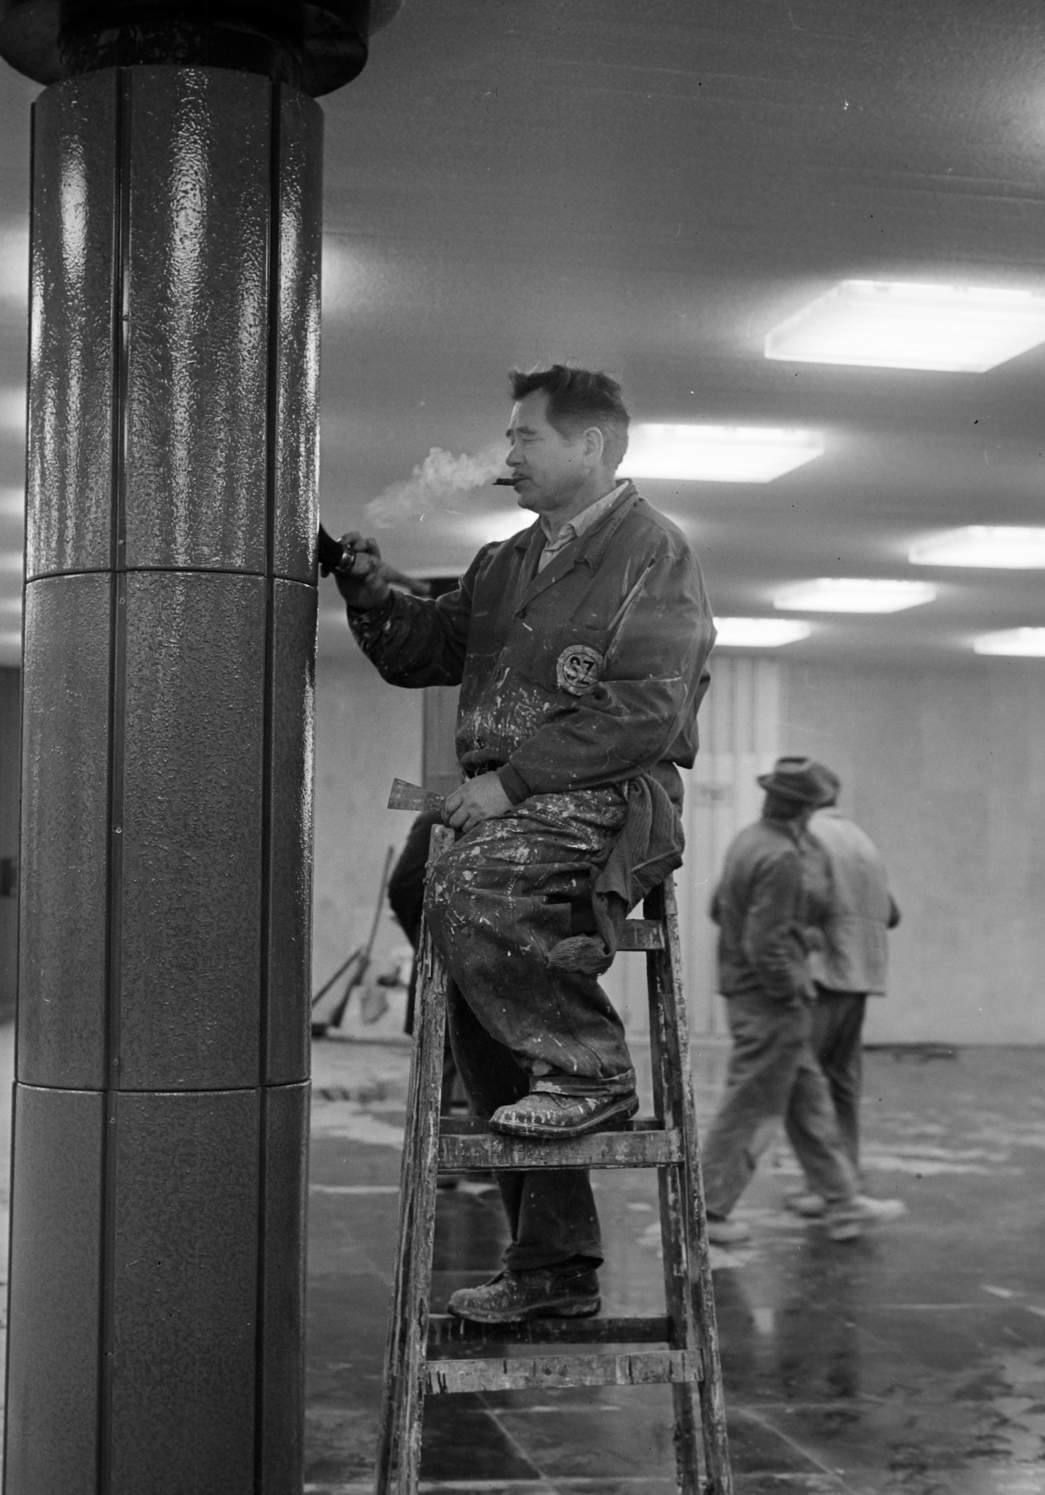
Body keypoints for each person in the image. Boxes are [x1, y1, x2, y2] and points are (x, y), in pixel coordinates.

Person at [335, 364, 713, 1324]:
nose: (506, 456)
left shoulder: (652, 553)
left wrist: (508, 782)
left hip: (603, 792)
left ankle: (588, 1067)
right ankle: (554, 1265)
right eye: (506, 440)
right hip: (511, 807)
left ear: (590, 445)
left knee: (466, 882)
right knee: (438, 892)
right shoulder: (506, 562)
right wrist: (372, 591)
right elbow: (424, 650)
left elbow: (647, 709)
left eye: (524, 437)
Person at [701, 758, 902, 1245]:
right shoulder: (785, 855)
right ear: (807, 808)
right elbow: (764, 944)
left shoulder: (750, 840)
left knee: (810, 1098)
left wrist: (798, 933)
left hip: (756, 993)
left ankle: (842, 1200)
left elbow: (723, 910)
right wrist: (789, 988)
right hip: (772, 1001)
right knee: (750, 1103)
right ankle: (706, 1212)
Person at [783, 767, 901, 1217]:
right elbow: (892, 913)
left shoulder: (810, 836)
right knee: (844, 1083)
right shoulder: (862, 840)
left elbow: (809, 899)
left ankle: (826, 1188)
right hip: (863, 975)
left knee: (805, 1083)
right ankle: (844, 1178)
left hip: (825, 973)